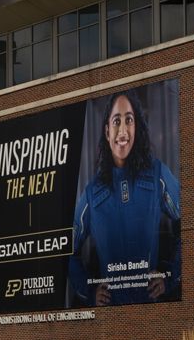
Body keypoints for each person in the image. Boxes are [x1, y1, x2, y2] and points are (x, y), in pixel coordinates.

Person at [69, 89, 181, 306]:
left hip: (149, 307)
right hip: (110, 314)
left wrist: (170, 275)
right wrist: (89, 290)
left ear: (136, 127)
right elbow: (66, 250)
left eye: (128, 120)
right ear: (106, 131)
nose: (122, 130)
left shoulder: (157, 174)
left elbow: (191, 224)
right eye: (116, 121)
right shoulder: (92, 194)